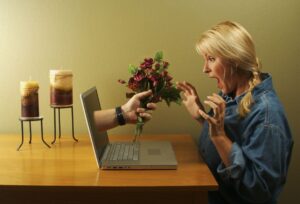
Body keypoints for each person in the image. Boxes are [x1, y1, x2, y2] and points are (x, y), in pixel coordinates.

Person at [177, 21, 293, 204]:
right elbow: (234, 135)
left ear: (235, 60)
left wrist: (220, 138)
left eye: (211, 59)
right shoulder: (231, 95)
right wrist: (201, 116)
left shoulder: (268, 115)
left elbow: (260, 193)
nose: (205, 69)